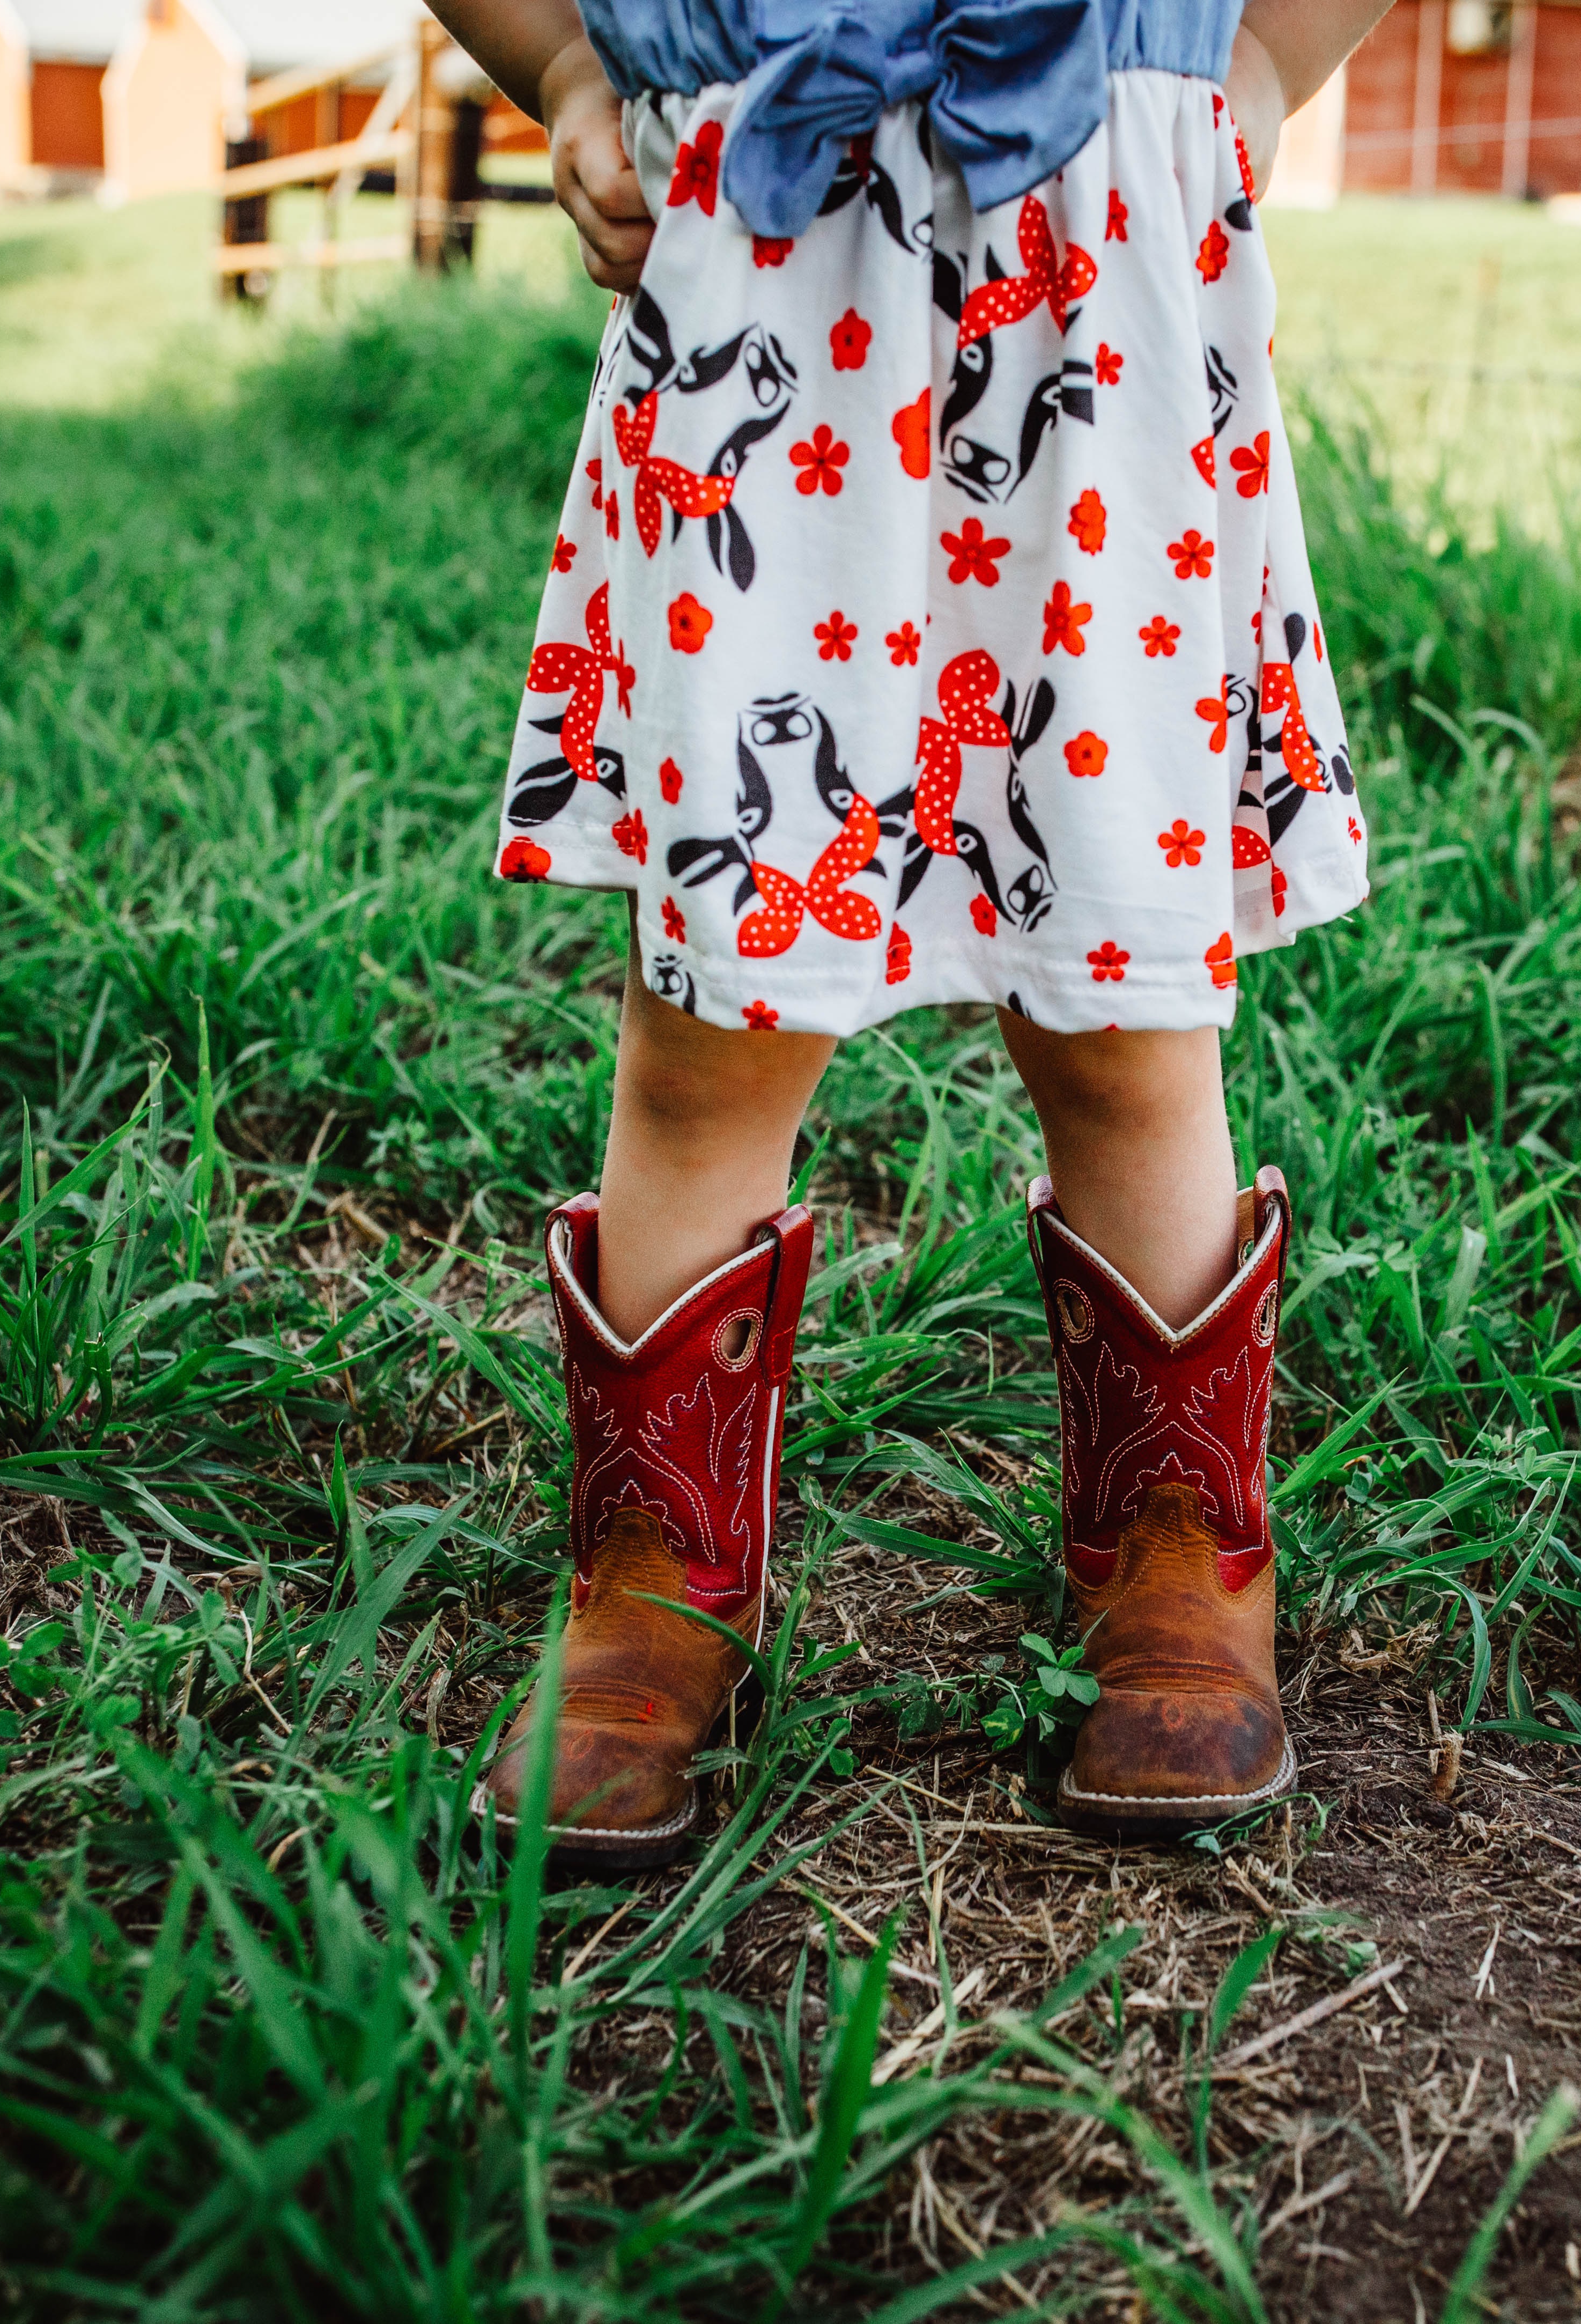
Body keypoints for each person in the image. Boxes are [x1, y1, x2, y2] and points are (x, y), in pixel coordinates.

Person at [430, 0, 1394, 1866]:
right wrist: (559, 68)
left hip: (1095, 260)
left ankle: (1173, 1553)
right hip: (770, 274)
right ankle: (653, 1573)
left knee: (1122, 995)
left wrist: (1266, 61)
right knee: (711, 1007)